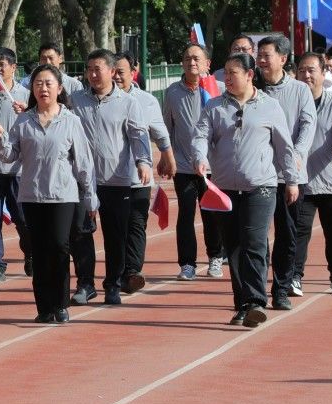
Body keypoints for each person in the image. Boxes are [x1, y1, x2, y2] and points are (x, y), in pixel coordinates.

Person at [192, 53, 298, 328]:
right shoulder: (214, 106)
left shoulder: (270, 106)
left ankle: (255, 302)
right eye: (225, 73)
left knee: (254, 242)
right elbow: (201, 136)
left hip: (260, 186)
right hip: (225, 189)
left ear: (250, 75)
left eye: (233, 73)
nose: (227, 78)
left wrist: (292, 180)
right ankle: (242, 304)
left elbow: (285, 147)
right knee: (234, 247)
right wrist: (200, 157)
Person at [0, 64, 95, 323]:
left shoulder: (71, 121)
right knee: (39, 252)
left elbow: (83, 163)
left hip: (63, 196)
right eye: (38, 84)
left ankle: (61, 304)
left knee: (59, 247)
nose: (43, 88)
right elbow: (10, 156)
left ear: (59, 88)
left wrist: (90, 196)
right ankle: (44, 308)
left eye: (48, 83)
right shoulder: (24, 121)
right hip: (32, 195)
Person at [70, 49, 152, 306]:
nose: (93, 75)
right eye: (89, 69)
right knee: (81, 234)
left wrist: (143, 162)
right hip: (82, 180)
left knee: (115, 236)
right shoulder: (75, 100)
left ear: (112, 71)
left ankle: (113, 284)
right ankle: (85, 284)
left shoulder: (128, 103)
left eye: (98, 69)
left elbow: (138, 135)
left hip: (116, 180)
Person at [255, 34, 316, 308]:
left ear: (282, 58)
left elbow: (308, 125)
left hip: (290, 176)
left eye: (266, 55)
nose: (261, 60)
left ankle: (281, 289)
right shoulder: (252, 88)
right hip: (258, 175)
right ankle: (255, 291)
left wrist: (297, 155)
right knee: (256, 236)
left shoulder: (300, 90)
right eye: (259, 55)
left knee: (287, 234)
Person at [162, 43, 227, 280]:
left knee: (212, 214)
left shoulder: (219, 89)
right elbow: (167, 127)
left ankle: (215, 257)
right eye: (188, 58)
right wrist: (166, 157)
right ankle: (187, 264)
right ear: (182, 63)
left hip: (213, 167)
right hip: (184, 165)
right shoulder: (172, 92)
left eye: (197, 59)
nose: (192, 63)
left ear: (207, 63)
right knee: (186, 214)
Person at [292, 53, 332, 294]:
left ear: (323, 73)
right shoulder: (292, 103)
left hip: (331, 180)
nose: (306, 75)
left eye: (311, 70)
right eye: (301, 70)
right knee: (299, 231)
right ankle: (295, 276)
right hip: (301, 180)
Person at [114, 52, 174, 290]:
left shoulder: (146, 100)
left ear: (133, 72)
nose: (116, 77)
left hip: (139, 175)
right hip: (109, 177)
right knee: (117, 227)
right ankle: (118, 272)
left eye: (121, 72)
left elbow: (160, 132)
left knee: (137, 223)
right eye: (113, 71)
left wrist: (168, 158)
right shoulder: (98, 100)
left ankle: (133, 272)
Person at [0, 47, 31, 279]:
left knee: (22, 218)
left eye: (3, 65)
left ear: (14, 67)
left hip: (18, 168)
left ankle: (31, 254)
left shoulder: (26, 95)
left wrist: (27, 111)